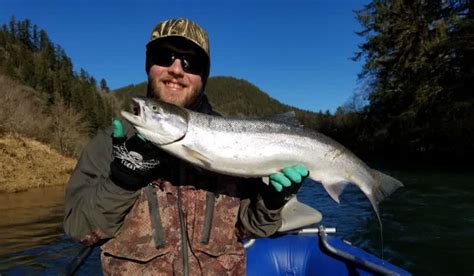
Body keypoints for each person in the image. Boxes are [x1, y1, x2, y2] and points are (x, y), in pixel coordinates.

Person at [64, 18, 308, 275]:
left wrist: (271, 202)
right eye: (164, 56)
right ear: (149, 66)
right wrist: (122, 180)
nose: (176, 69)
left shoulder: (236, 141)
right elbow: (79, 229)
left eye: (191, 63)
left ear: (203, 75)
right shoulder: (110, 143)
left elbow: (252, 228)